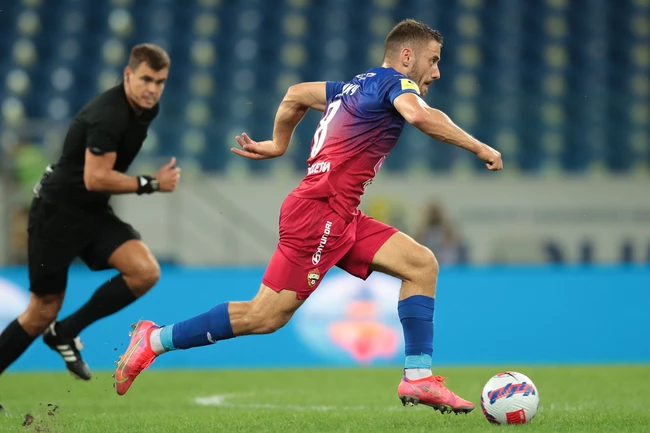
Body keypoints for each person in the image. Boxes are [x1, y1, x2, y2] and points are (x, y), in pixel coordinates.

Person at [114, 19, 502, 414]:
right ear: (406, 56)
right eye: (433, 60)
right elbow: (419, 116)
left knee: (421, 264)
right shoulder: (395, 84)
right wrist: (479, 147)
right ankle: (154, 340)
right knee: (264, 316)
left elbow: (296, 93)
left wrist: (279, 143)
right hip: (319, 212)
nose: (436, 72)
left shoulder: (353, 87)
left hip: (341, 213)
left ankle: (418, 377)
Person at [0, 43, 181, 394]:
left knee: (144, 271)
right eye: (146, 79)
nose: (152, 89)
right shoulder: (108, 114)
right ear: (127, 75)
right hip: (57, 212)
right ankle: (55, 330)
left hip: (91, 211)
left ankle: (65, 332)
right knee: (42, 310)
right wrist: (152, 183)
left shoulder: (147, 109)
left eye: (159, 82)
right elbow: (95, 178)